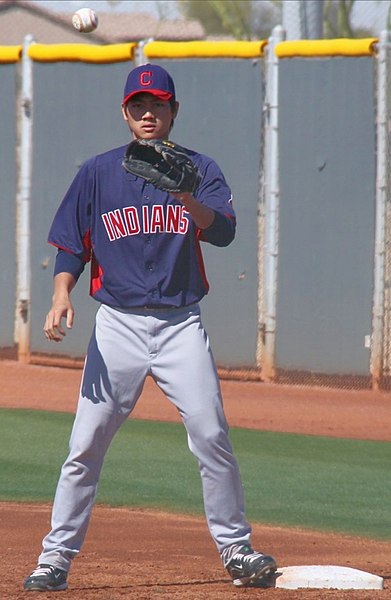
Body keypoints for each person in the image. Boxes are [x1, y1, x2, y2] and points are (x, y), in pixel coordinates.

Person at [23, 63, 277, 592]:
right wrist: (61, 295)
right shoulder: (98, 172)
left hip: (181, 323)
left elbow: (224, 232)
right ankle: (54, 560)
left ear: (173, 111)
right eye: (138, 105)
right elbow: (73, 243)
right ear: (125, 112)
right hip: (117, 325)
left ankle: (236, 550)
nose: (147, 113)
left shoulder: (200, 168)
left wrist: (188, 196)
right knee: (85, 442)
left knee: (210, 432)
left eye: (157, 105)